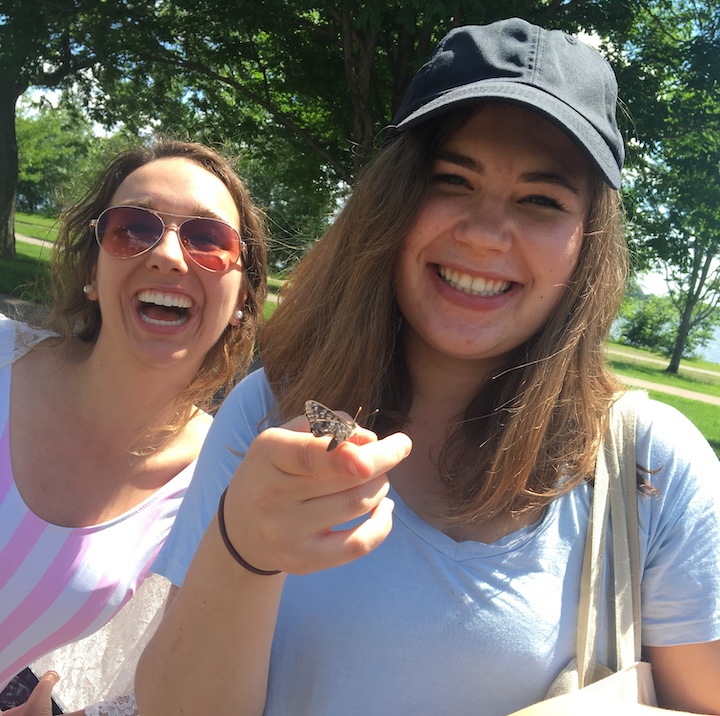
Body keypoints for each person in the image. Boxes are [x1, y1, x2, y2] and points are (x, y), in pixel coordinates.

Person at [135, 18, 720, 716]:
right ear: (393, 201)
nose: (482, 232)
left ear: (587, 241)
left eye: (541, 200)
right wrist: (243, 551)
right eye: (451, 180)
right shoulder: (269, 415)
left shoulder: (651, 467)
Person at [0, 139, 268, 711]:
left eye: (207, 239)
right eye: (131, 229)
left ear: (243, 296)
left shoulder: (217, 489)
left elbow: (151, 686)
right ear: (92, 271)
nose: (169, 255)